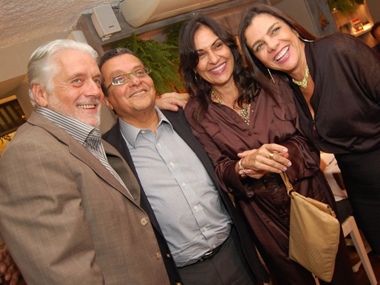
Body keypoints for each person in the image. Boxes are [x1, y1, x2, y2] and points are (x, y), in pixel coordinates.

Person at [178, 15, 354, 284]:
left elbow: (309, 140)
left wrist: (276, 156)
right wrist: (244, 167)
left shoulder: (271, 80)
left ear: (231, 47)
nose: (213, 59)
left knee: (337, 275)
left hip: (311, 196)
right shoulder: (197, 112)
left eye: (217, 46)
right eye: (200, 54)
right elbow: (219, 169)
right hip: (263, 217)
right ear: (192, 65)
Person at [0, 39, 170, 284]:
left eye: (96, 80)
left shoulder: (83, 139)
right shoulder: (30, 153)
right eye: (77, 80)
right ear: (40, 94)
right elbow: (65, 272)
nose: (94, 91)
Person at [98, 47, 269, 285]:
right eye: (119, 79)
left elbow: (223, 96)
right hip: (181, 275)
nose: (135, 81)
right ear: (106, 99)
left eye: (139, 72)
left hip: (236, 253)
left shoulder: (191, 117)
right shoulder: (106, 154)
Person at [238, 3, 380, 257]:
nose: (271, 45)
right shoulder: (286, 90)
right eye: (259, 46)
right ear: (257, 59)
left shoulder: (340, 50)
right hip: (362, 192)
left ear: (292, 26)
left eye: (274, 30)